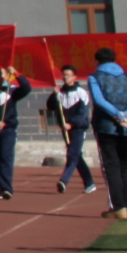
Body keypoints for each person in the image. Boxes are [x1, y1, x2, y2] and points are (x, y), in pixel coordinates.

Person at [85, 48, 127, 220]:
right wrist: (126, 115)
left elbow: (99, 101)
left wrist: (118, 115)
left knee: (111, 167)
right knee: (125, 167)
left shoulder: (95, 77)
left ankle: (118, 206)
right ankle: (126, 206)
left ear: (97, 61)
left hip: (106, 127)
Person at [51, 67, 95, 195]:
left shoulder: (81, 93)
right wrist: (54, 95)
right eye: (63, 75)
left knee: (72, 155)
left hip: (78, 129)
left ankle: (64, 180)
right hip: (66, 129)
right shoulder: (60, 93)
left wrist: (72, 124)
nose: (65, 77)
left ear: (74, 77)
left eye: (68, 75)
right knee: (76, 156)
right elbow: (51, 106)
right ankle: (89, 183)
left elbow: (83, 114)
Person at [0, 65, 29, 201]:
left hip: (8, 130)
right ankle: (2, 188)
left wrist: (16, 73)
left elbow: (27, 88)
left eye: (0, 73)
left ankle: (6, 189)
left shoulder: (12, 91)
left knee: (5, 157)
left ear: (6, 75)